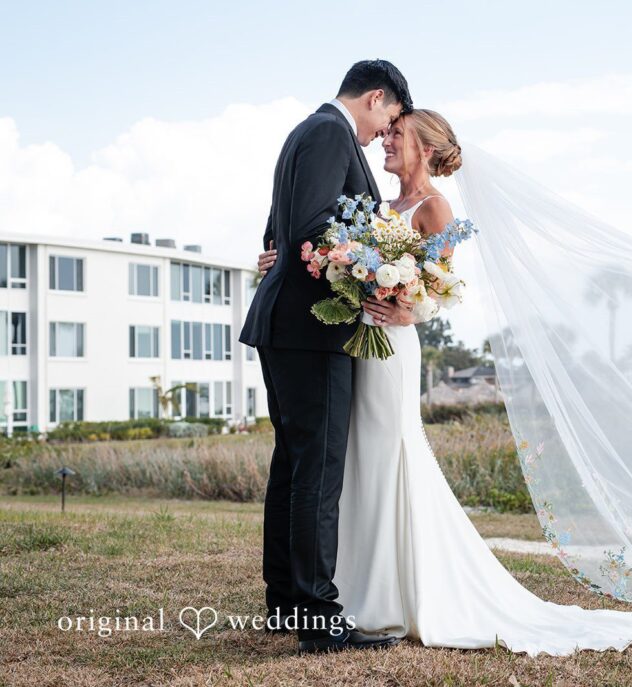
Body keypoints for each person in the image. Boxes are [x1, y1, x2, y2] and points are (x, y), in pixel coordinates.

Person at [254, 108, 632, 656]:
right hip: (352, 344)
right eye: (388, 130)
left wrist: (407, 310)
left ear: (426, 149)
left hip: (391, 345)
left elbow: (442, 290)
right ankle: (350, 589)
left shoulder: (435, 208)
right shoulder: (374, 205)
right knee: (354, 461)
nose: (387, 140)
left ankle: (399, 590)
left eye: (398, 135)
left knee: (390, 452)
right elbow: (329, 249)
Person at [238, 59, 412, 654]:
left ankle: (286, 602)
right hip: (311, 329)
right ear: (375, 97)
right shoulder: (331, 132)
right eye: (388, 118)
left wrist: (280, 253)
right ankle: (317, 615)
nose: (382, 134)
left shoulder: (307, 133)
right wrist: (380, 262)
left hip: (286, 323)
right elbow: (312, 226)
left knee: (294, 464)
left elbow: (279, 232)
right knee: (316, 470)